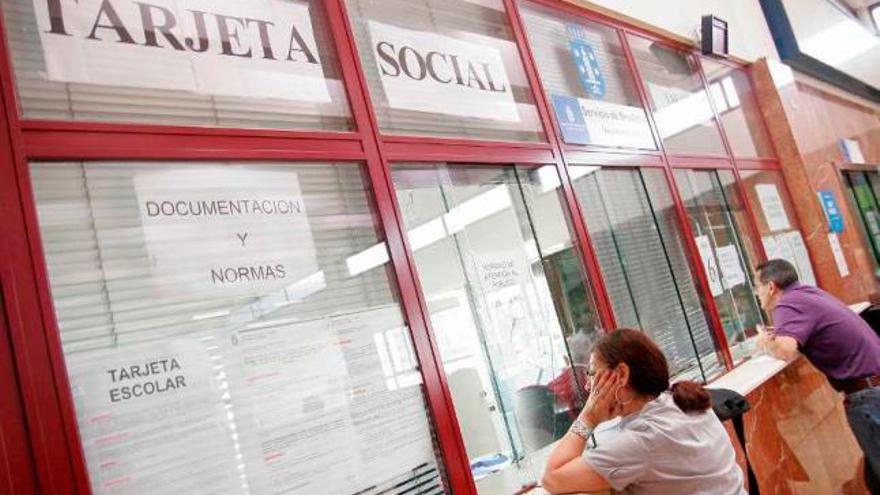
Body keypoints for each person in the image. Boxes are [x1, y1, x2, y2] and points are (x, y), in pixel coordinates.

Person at [542, 328, 746, 495]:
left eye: (592, 373)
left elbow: (552, 478)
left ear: (621, 374)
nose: (588, 386)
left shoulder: (643, 438)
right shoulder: (681, 400)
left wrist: (588, 418)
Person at [754, 259, 880, 494]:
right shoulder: (806, 293)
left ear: (771, 287)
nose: (756, 292)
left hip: (868, 395)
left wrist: (765, 343)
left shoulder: (787, 304)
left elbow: (786, 349)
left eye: (757, 286)